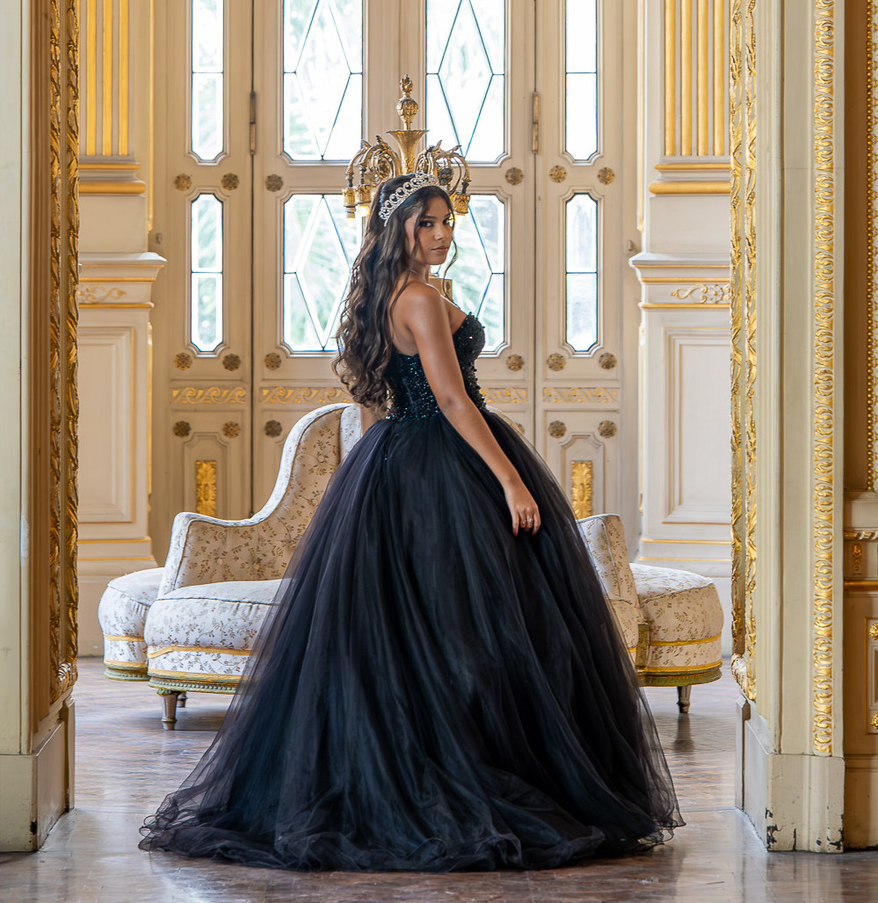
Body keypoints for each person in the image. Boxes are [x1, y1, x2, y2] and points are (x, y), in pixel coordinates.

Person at [141, 173, 680, 871]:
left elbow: (375, 402)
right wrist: (513, 480)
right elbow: (454, 401)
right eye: (429, 223)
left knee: (429, 632)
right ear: (401, 230)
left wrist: (366, 479)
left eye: (448, 223)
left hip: (397, 461)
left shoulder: (383, 296)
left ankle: (446, 758)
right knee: (474, 627)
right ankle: (467, 771)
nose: (443, 235)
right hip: (442, 464)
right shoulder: (421, 298)